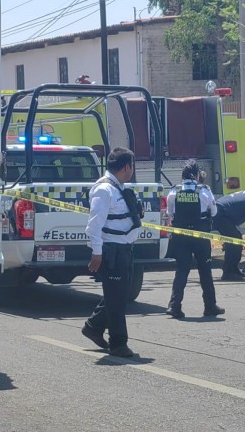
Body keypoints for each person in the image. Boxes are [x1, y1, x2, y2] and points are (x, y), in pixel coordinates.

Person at [82, 148, 142, 358]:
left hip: (124, 249)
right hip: (111, 250)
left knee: (119, 295)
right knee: (117, 299)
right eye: (132, 166)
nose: (132, 170)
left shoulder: (120, 188)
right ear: (126, 167)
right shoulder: (104, 190)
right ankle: (118, 343)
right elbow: (93, 226)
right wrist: (97, 254)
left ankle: (93, 326)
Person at [165, 160, 225, 319]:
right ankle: (210, 306)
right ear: (197, 175)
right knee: (205, 271)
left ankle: (174, 306)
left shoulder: (173, 192)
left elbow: (169, 214)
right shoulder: (204, 191)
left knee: (181, 271)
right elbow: (214, 213)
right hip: (200, 237)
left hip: (181, 237)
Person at [213, 184, 245, 280]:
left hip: (222, 213)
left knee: (237, 239)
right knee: (235, 241)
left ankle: (234, 269)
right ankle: (228, 272)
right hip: (220, 214)